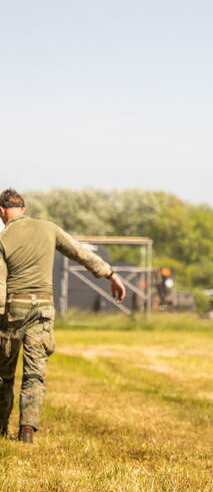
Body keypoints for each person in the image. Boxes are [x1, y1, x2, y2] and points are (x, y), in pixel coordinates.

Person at [0, 189, 126, 442]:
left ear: (2, 211)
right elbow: (80, 252)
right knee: (35, 373)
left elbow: (0, 283)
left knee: (4, 374)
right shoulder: (49, 228)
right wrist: (110, 273)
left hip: (13, 310)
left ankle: (1, 429)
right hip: (43, 310)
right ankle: (27, 431)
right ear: (23, 208)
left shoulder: (3, 238)